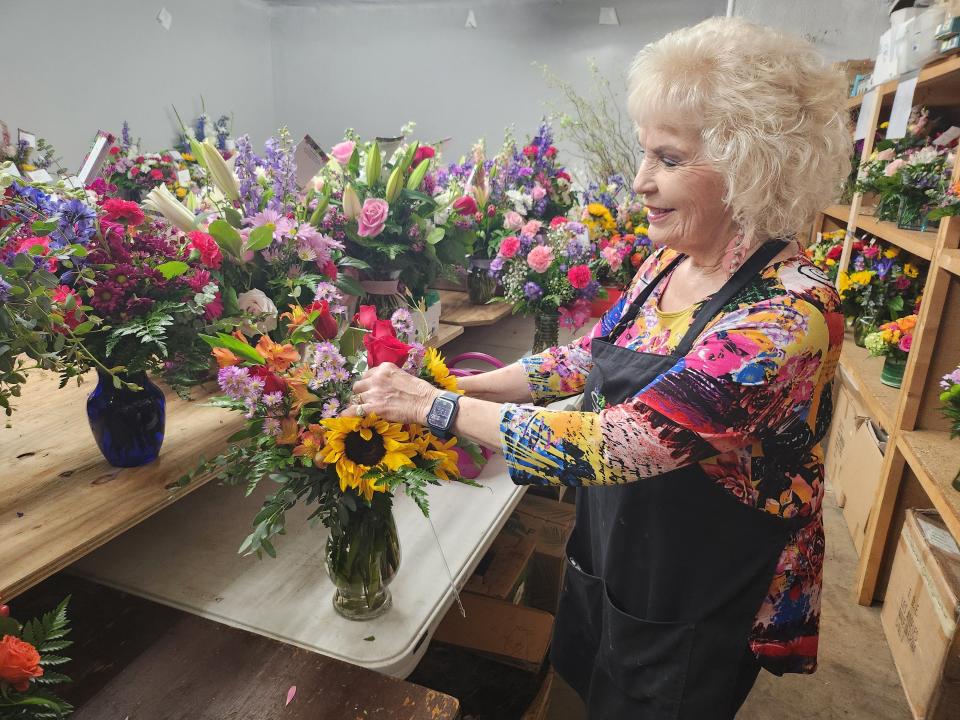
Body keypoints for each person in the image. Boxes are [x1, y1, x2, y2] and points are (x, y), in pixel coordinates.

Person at [348, 16, 850, 719]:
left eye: (669, 160)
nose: (640, 182)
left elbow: (625, 441)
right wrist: (464, 385)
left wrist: (433, 408)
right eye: (644, 155)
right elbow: (592, 356)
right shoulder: (669, 261)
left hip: (695, 589)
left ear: (752, 167)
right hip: (620, 554)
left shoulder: (788, 317)